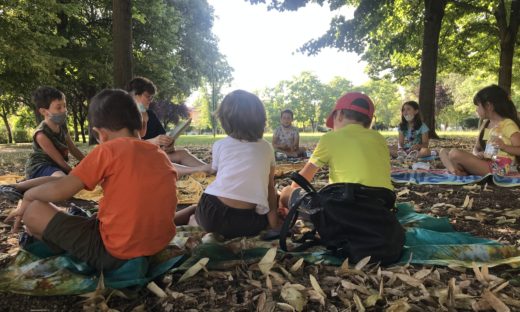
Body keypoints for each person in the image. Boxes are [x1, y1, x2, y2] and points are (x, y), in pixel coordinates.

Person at [6, 89, 178, 271]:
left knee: (34, 211)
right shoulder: (161, 156)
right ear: (142, 127)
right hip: (158, 245)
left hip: (115, 253)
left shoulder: (108, 150)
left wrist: (28, 196)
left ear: (100, 134)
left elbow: (60, 190)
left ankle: (62, 248)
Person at [175, 90, 280, 238]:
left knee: (196, 210)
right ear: (261, 120)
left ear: (225, 121)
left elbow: (217, 170)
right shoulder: (266, 147)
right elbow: (270, 188)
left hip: (211, 208)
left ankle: (178, 223)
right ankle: (198, 223)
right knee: (260, 216)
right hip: (243, 220)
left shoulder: (220, 145)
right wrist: (274, 224)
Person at [279, 92, 393, 211]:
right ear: (369, 122)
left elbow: (304, 176)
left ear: (339, 115)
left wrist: (290, 194)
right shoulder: (379, 139)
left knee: (287, 192)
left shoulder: (330, 138)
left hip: (343, 211)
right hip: (382, 209)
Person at [126, 77, 211, 176]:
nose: (150, 100)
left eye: (152, 97)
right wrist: (152, 142)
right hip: (138, 159)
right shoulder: (125, 116)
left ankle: (212, 169)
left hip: (155, 153)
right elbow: (126, 145)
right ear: (135, 95)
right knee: (159, 161)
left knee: (182, 153)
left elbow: (162, 137)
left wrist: (169, 145)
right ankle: (198, 170)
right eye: (147, 96)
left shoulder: (150, 114)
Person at [440, 85, 520, 176]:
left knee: (455, 153)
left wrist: (504, 147)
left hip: (500, 168)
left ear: (489, 106)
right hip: (486, 162)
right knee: (444, 152)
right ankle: (456, 172)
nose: (476, 110)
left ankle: (456, 172)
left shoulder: (508, 124)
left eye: (478, 106)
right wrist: (479, 154)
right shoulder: (486, 124)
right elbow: (476, 148)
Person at [25, 87, 85, 179]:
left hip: (56, 168)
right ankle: (19, 188)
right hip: (39, 167)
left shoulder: (63, 126)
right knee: (62, 179)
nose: (64, 110)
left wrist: (89, 163)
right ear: (44, 111)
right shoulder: (41, 134)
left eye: (64, 106)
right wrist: (73, 174)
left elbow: (73, 149)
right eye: (58, 107)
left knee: (64, 180)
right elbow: (59, 160)